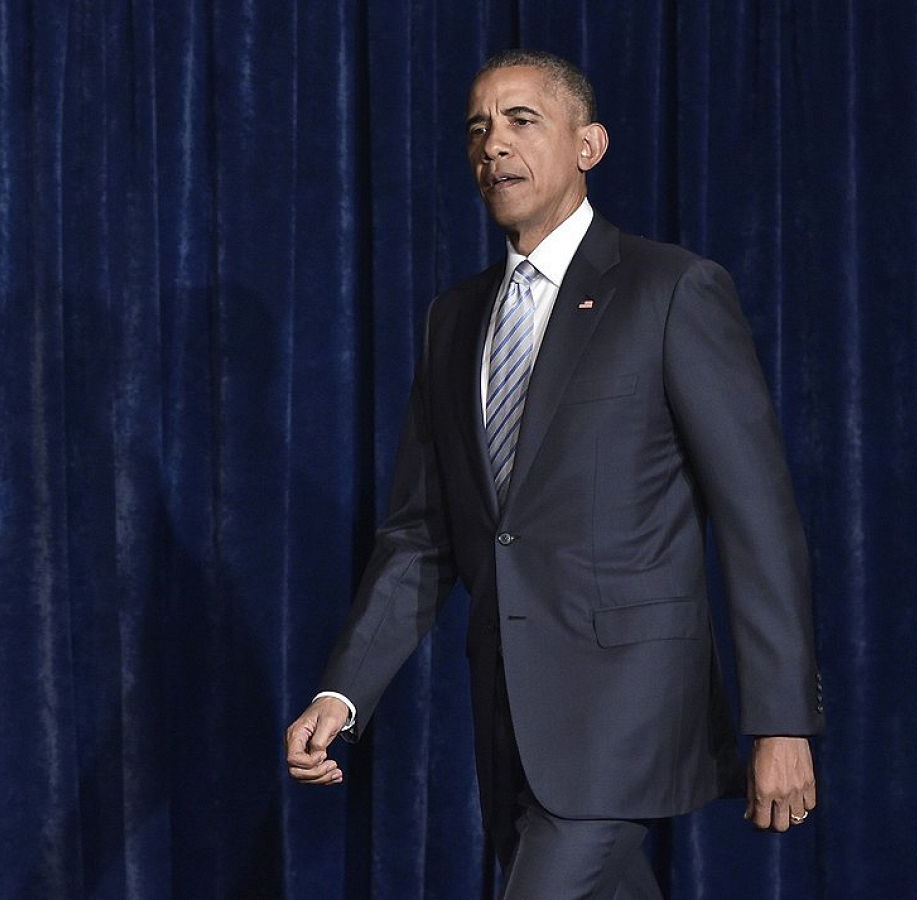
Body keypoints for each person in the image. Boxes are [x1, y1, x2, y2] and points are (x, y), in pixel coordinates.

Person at [284, 48, 823, 898]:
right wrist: (342, 693)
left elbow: (758, 516)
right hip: (511, 716)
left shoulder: (670, 289)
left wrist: (782, 721)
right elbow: (423, 534)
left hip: (629, 709)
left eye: (521, 120)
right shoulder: (451, 321)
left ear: (589, 145)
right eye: (478, 128)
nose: (493, 144)